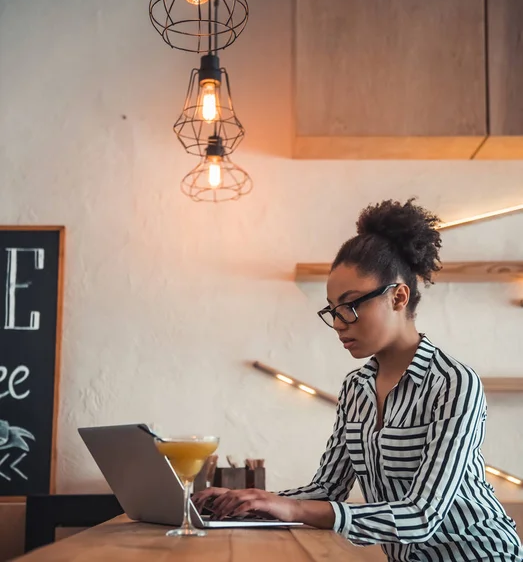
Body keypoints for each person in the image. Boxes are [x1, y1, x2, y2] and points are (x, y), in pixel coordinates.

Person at [193, 199, 523, 561]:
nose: (338, 323)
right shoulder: (356, 387)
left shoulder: (454, 383)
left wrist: (295, 510)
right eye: (332, 310)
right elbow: (328, 487)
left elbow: (423, 515)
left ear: (398, 296)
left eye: (350, 305)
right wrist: (259, 502)